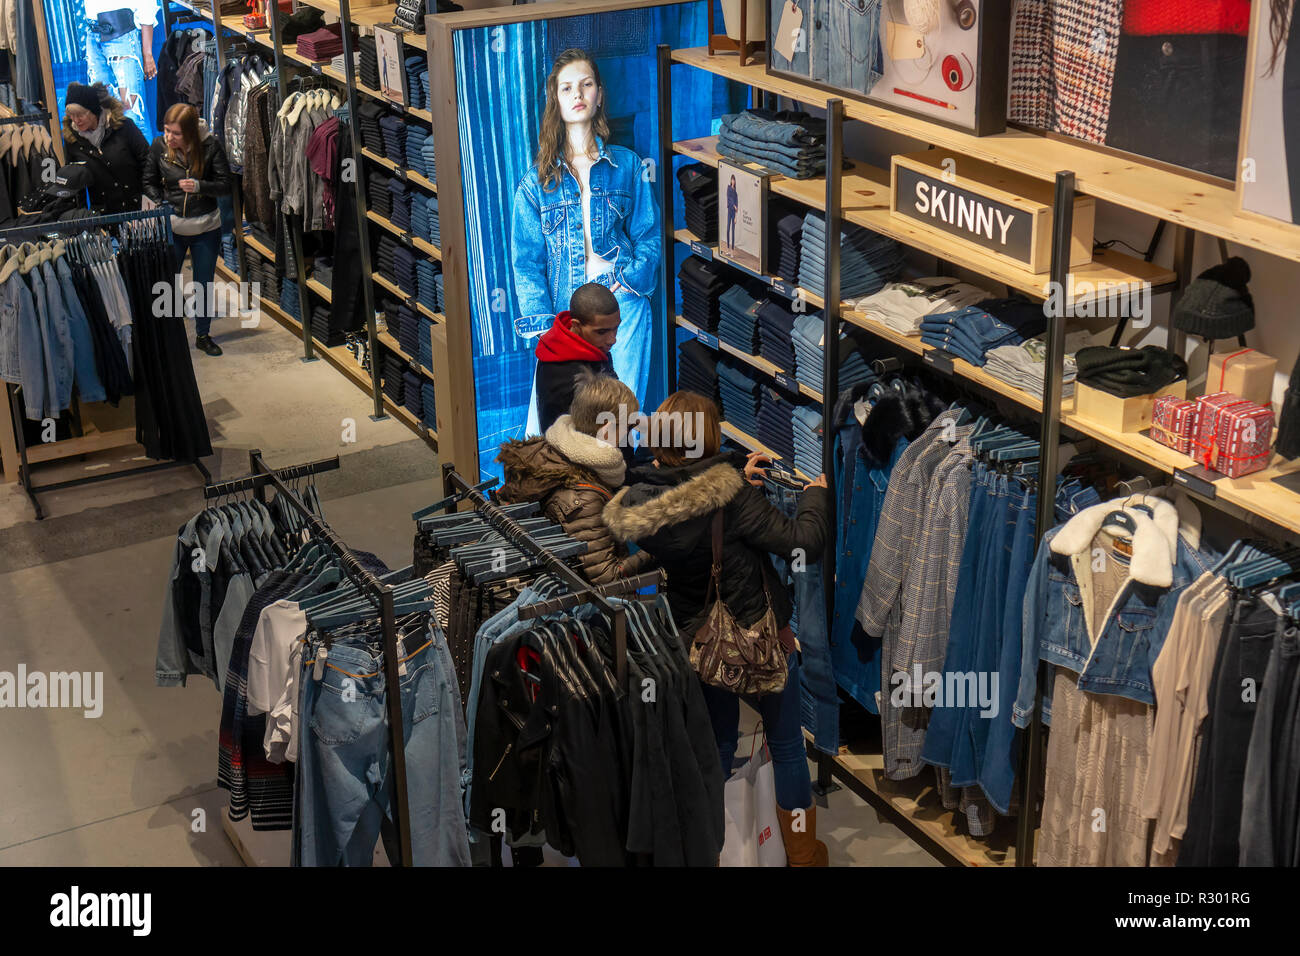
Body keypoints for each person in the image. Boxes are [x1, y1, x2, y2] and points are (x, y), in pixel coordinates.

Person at [601, 391, 833, 866]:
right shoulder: (733, 498)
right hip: (758, 635)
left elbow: (698, 504)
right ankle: (805, 856)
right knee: (786, 742)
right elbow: (802, 543)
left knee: (718, 745)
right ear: (706, 437)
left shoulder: (646, 499)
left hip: (696, 641)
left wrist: (732, 472)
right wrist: (816, 498)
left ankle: (721, 850)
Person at [512, 47, 661, 436]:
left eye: (586, 84)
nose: (577, 94)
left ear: (599, 95)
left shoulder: (629, 166)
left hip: (623, 307)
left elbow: (649, 237)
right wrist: (547, 328)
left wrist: (627, 282)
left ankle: (615, 492)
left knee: (619, 421)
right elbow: (526, 262)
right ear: (555, 101)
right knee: (547, 429)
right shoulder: (534, 184)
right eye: (566, 88)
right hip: (567, 315)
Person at [497, 375, 653, 585]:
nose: (629, 437)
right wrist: (657, 549)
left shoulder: (547, 453)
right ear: (607, 430)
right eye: (626, 429)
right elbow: (608, 579)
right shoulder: (583, 498)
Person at [143, 103, 232, 356]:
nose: (169, 137)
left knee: (203, 284)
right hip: (172, 227)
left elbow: (225, 185)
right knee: (166, 281)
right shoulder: (159, 147)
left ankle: (203, 335)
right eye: (166, 130)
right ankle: (170, 336)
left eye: (176, 133)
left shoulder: (211, 147)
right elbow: (148, 181)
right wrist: (161, 203)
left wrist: (200, 186)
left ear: (190, 133)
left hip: (206, 226)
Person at [533, 281, 620, 433]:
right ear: (577, 325)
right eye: (602, 332)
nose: (612, 339)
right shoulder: (562, 375)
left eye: (616, 328)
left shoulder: (588, 349)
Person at [62, 82, 150, 214]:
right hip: (104, 218)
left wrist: (150, 199)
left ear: (94, 111)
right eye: (72, 115)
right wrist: (81, 219)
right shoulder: (72, 142)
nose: (76, 120)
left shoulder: (124, 127)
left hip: (139, 209)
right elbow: (75, 186)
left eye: (80, 114)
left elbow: (148, 162)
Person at [84, 0, 159, 134]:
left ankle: (145, 154)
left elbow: (147, 5)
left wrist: (147, 54)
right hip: (93, 34)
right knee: (103, 112)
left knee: (132, 113)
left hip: (121, 35)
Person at [725, 174, 738, 250]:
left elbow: (737, 205)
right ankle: (727, 248)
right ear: (730, 180)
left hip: (734, 213)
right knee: (727, 229)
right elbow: (729, 198)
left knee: (733, 231)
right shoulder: (729, 188)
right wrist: (733, 205)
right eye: (732, 179)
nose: (733, 181)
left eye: (734, 180)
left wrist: (736, 217)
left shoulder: (736, 193)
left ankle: (732, 249)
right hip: (730, 210)